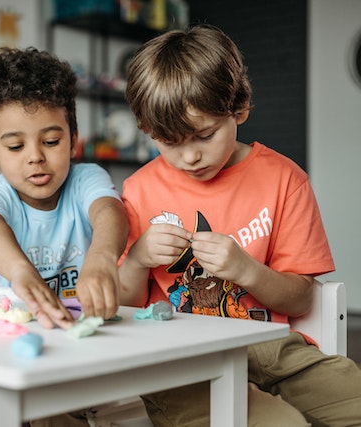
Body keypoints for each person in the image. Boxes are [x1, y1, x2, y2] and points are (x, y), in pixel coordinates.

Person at [119, 25, 361, 426]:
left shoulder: (284, 179)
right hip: (180, 358)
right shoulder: (139, 189)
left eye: (204, 135)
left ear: (239, 110)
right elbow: (123, 304)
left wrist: (246, 270)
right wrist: (138, 259)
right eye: (169, 142)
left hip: (271, 346)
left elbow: (301, 300)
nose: (189, 157)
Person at [0, 47, 128, 333]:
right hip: (23, 327)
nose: (35, 157)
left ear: (73, 140)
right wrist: (20, 272)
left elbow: (109, 210)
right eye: (16, 146)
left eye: (51, 141)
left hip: (93, 328)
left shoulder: (86, 179)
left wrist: (102, 257)